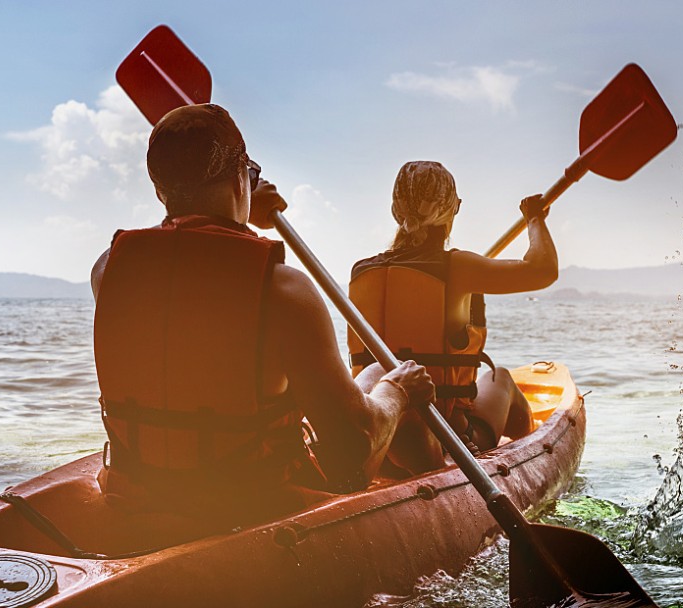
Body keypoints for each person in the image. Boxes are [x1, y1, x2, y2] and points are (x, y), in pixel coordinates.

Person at [90, 104, 434, 531]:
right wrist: (398, 392)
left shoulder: (108, 272)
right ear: (241, 176)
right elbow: (352, 454)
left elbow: (186, 261)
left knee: (361, 381)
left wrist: (235, 203)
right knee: (386, 374)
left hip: (138, 489)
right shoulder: (284, 291)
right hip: (252, 501)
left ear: (160, 190)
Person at [348, 160, 556, 475]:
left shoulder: (363, 270)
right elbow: (542, 270)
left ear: (397, 209)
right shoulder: (457, 267)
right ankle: (535, 449)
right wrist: (535, 219)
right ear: (449, 211)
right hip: (450, 438)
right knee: (502, 378)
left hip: (381, 431)